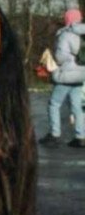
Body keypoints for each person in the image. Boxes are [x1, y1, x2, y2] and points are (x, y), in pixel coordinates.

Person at [39, 8, 85, 148]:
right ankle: (81, 136)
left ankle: (55, 134)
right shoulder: (83, 34)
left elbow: (60, 57)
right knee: (77, 106)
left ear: (68, 19)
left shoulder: (66, 34)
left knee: (54, 104)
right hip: (80, 74)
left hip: (66, 75)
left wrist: (51, 59)